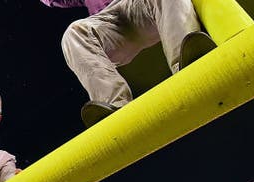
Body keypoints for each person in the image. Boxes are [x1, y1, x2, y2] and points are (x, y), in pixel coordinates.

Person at [39, 0, 215, 126]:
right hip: (109, 23)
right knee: (74, 33)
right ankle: (114, 105)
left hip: (143, 6)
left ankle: (187, 61)